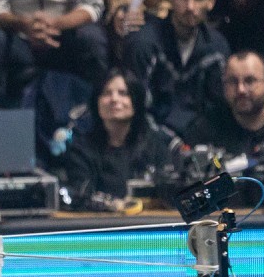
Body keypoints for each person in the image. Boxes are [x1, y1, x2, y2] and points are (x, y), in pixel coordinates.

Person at [122, 0, 227, 138]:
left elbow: (219, 108)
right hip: (149, 139)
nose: (190, 6)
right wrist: (168, 143)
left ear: (211, 1)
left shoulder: (216, 47)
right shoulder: (144, 43)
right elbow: (134, 107)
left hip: (199, 140)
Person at [54, 68, 180, 208]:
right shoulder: (81, 149)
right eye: (106, 93)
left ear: (136, 101)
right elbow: (80, 194)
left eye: (123, 93)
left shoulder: (156, 144)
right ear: (96, 102)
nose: (114, 99)